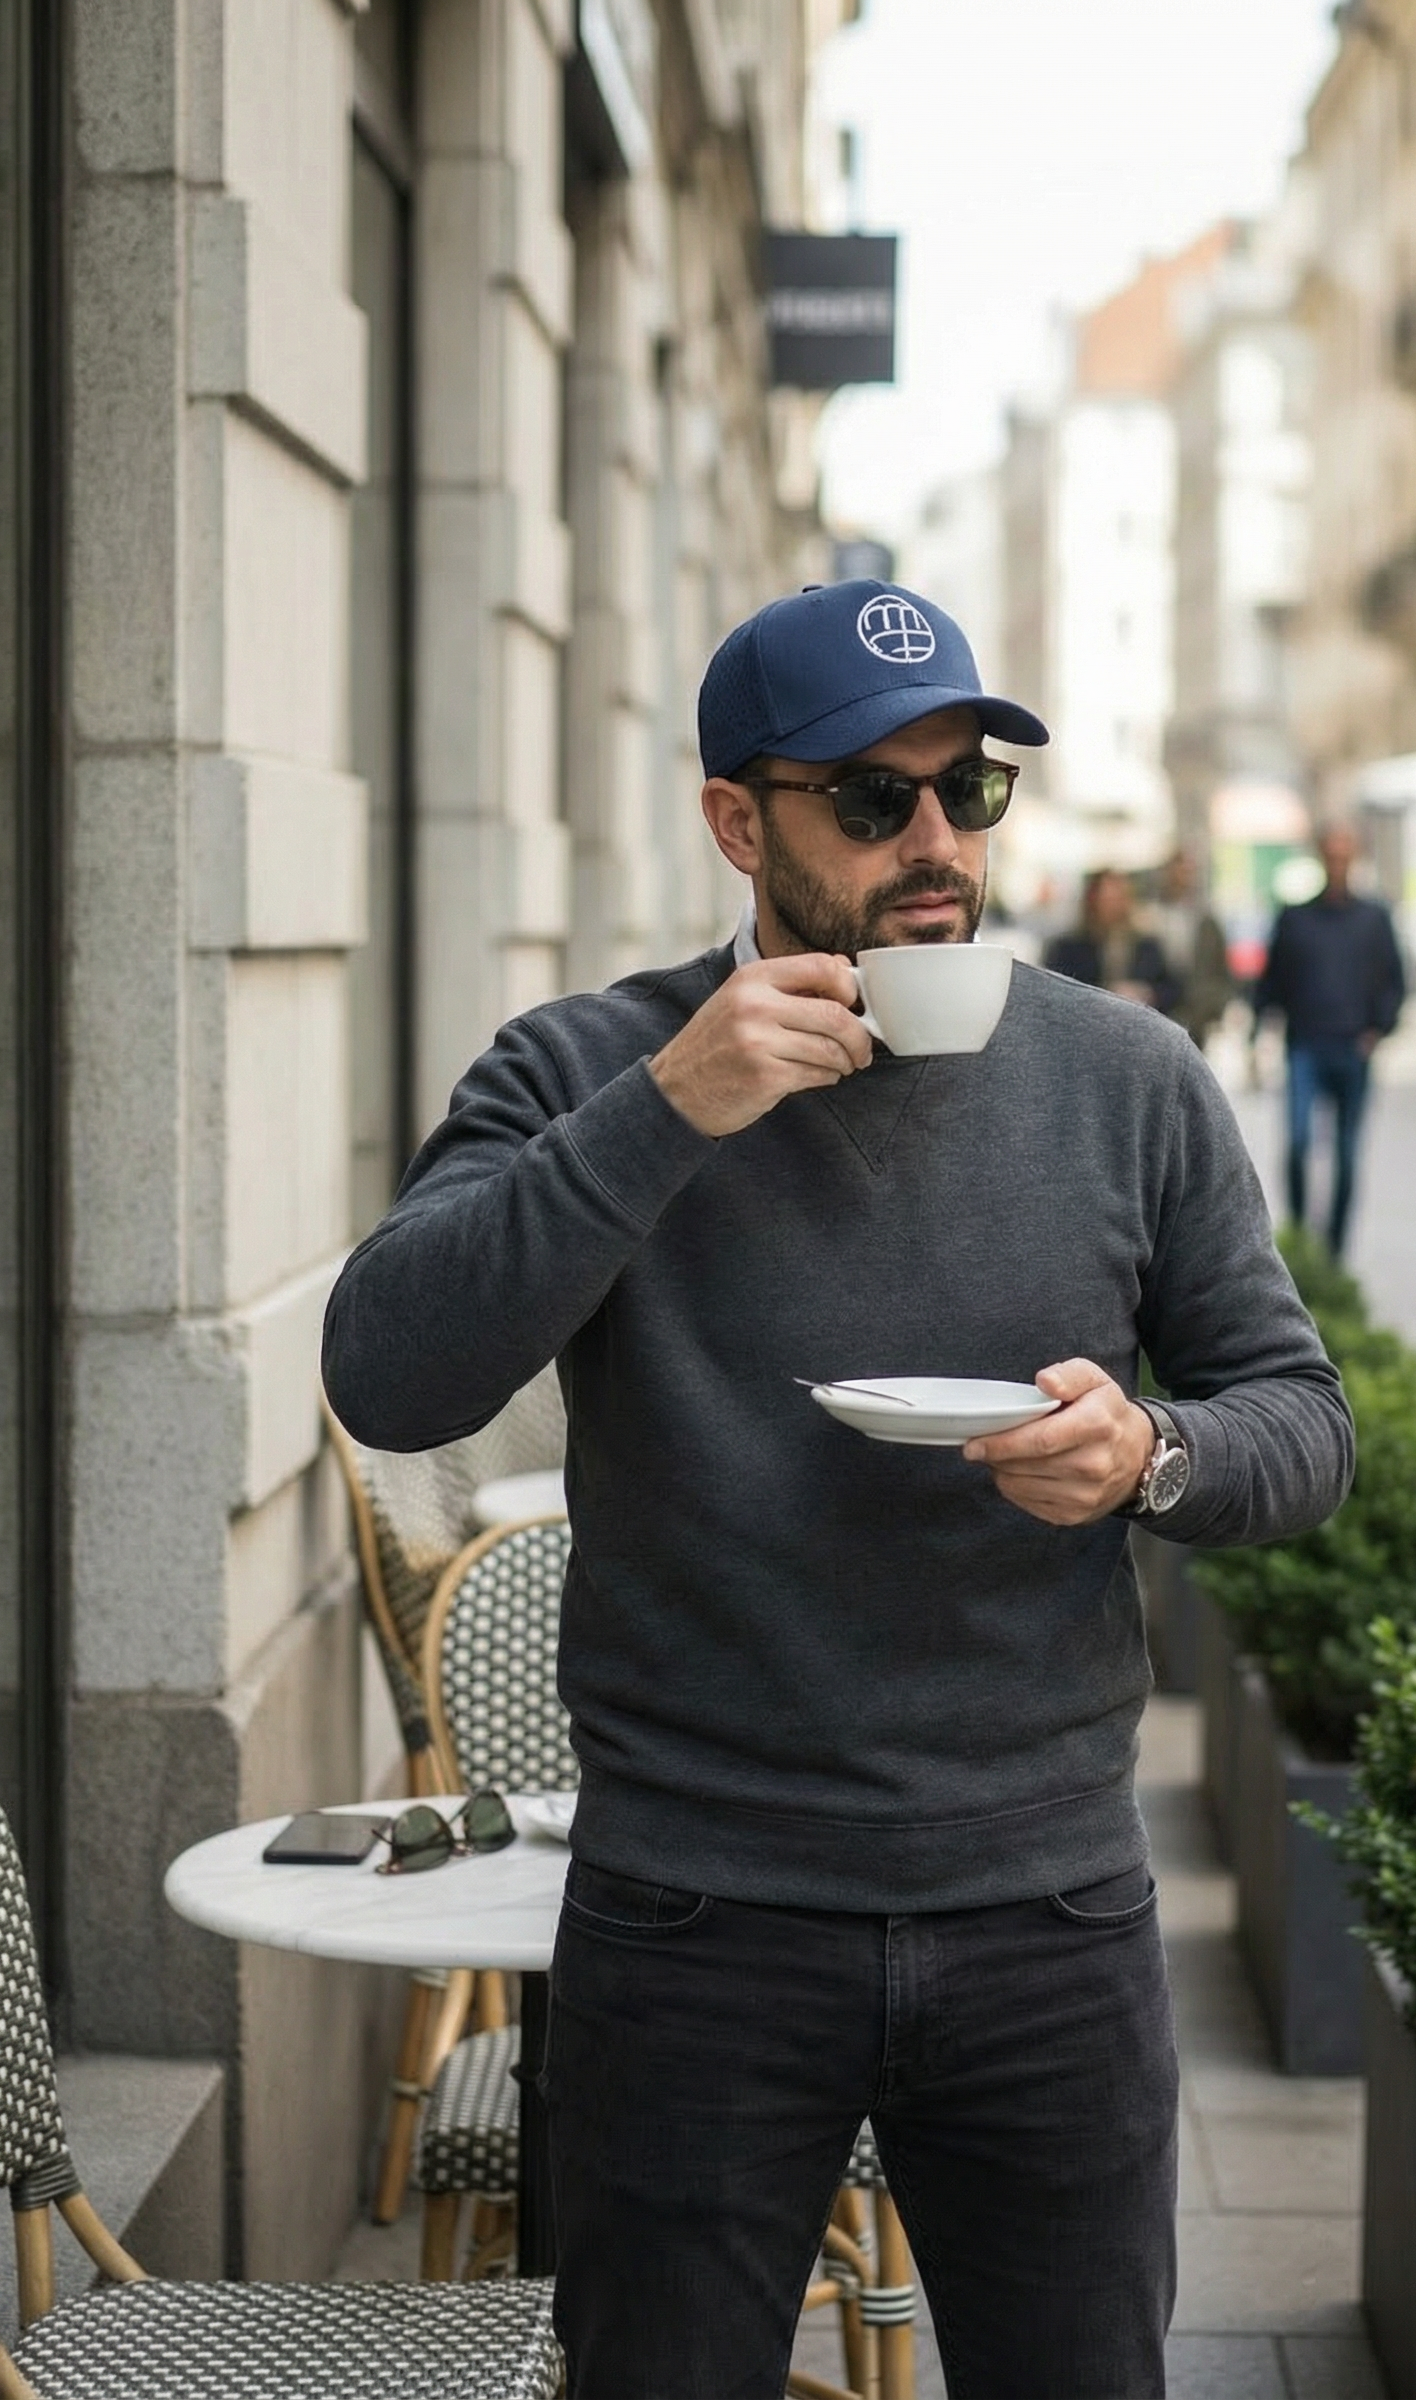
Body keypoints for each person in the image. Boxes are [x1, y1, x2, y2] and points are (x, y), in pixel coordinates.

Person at [322, 577, 1355, 2400]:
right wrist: (665, 1109)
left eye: (970, 789)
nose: (936, 842)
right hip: (692, 1917)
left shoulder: (1129, 1078)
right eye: (874, 800)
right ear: (741, 824)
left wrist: (1152, 1455)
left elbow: (1302, 1422)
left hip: (1048, 1910)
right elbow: (388, 1375)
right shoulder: (590, 1067)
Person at [1253, 824, 1406, 1256]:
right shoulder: (1296, 918)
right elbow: (1271, 980)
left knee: (1347, 1153)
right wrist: (1258, 1033)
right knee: (1298, 1142)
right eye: (1331, 855)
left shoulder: (1374, 918)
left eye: (1345, 855)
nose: (1338, 863)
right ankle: (1301, 1233)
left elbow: (1395, 981)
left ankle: (1336, 1246)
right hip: (1305, 1045)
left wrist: (1379, 1027)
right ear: (1321, 857)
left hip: (1353, 1047)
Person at [1043, 866, 1182, 1012]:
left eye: (1117, 898)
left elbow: (1172, 989)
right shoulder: (1068, 948)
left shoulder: (1146, 946)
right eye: (1106, 899)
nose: (1111, 906)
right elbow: (1056, 991)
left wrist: (1147, 993)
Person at [1144, 849, 1234, 1047]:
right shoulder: (1150, 916)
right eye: (1177, 872)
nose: (1181, 878)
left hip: (1198, 1011)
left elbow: (1219, 966)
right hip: (1159, 1009)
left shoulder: (1206, 920)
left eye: (1187, 872)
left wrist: (1216, 1004)